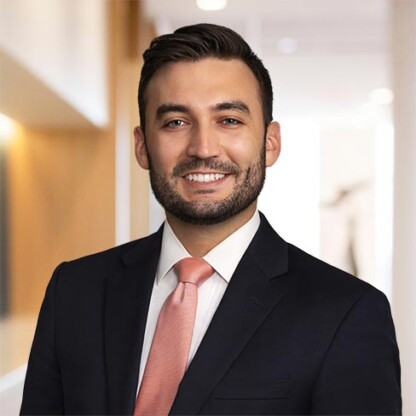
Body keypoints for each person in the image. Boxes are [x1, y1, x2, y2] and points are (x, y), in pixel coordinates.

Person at [21, 23, 401, 416]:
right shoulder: (74, 292)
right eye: (175, 122)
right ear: (142, 146)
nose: (203, 148)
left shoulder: (346, 313)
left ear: (270, 143)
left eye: (229, 120)